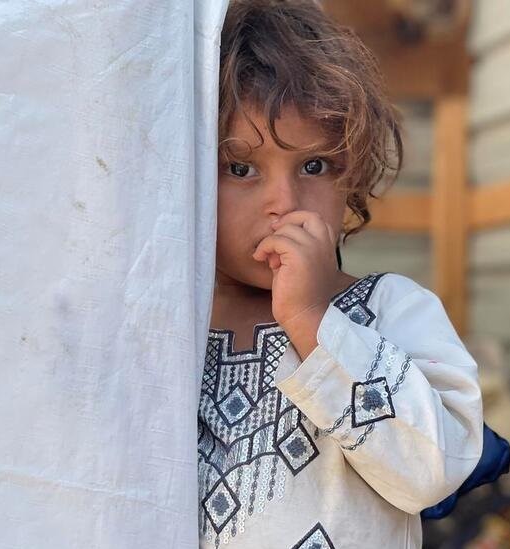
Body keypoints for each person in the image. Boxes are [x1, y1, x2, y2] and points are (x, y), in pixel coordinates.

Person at [199, 1, 484, 547]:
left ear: (350, 177)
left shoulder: (393, 309)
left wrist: (312, 320)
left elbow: (433, 471)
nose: (282, 203)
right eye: (240, 168)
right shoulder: (172, 322)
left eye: (314, 166)